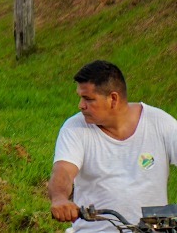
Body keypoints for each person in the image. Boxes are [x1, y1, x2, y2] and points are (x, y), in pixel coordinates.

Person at [49, 60, 177, 231]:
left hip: (152, 228)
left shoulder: (160, 123)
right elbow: (63, 171)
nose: (81, 105)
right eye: (80, 97)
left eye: (88, 99)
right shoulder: (75, 128)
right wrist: (59, 199)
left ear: (113, 99)